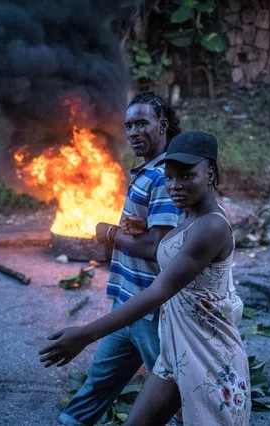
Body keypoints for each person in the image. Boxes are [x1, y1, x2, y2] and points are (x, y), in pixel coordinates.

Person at [41, 131, 251, 426]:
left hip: (208, 354)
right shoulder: (188, 215)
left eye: (187, 176)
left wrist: (86, 334)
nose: (175, 186)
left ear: (211, 173)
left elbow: (159, 290)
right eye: (169, 177)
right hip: (175, 349)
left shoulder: (211, 227)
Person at [55, 92, 182, 426]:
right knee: (98, 387)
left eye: (142, 123)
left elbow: (157, 245)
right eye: (129, 125)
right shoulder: (145, 171)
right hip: (126, 306)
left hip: (153, 312)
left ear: (163, 125)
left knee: (174, 392)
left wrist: (110, 234)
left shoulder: (165, 178)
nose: (134, 131)